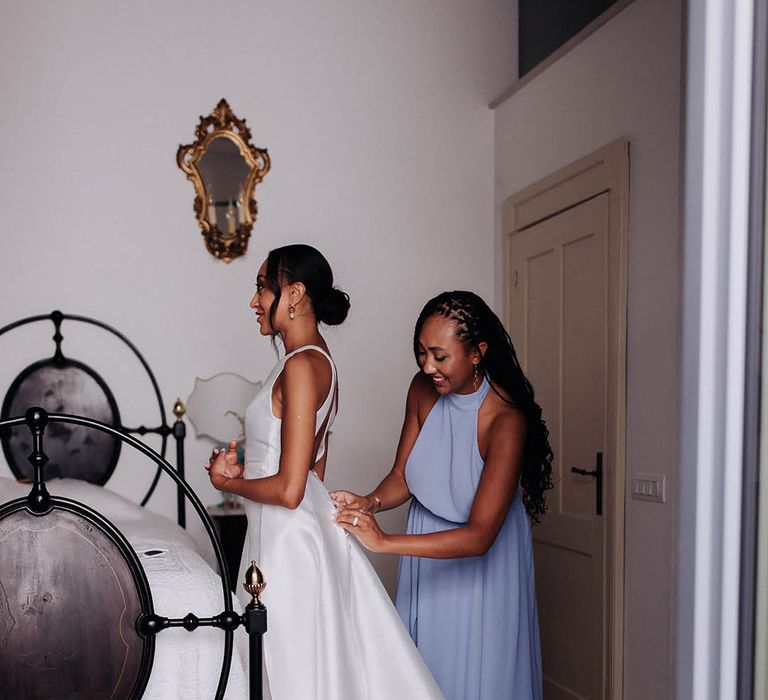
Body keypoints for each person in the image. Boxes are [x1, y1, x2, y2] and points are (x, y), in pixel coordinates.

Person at [205, 244, 443, 700]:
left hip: (286, 539)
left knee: (290, 667)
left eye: (261, 287)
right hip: (287, 532)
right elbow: (313, 471)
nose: (253, 300)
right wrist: (249, 466)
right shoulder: (320, 361)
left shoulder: (300, 366)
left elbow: (292, 489)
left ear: (293, 294)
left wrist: (227, 482)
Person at [331, 290, 552, 700]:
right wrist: (370, 502)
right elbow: (403, 475)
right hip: (427, 554)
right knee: (422, 674)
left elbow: (480, 536)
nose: (427, 366)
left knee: (480, 677)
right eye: (421, 353)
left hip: (481, 563)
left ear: (477, 353)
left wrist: (383, 542)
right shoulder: (422, 389)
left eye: (439, 355)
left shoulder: (506, 420)